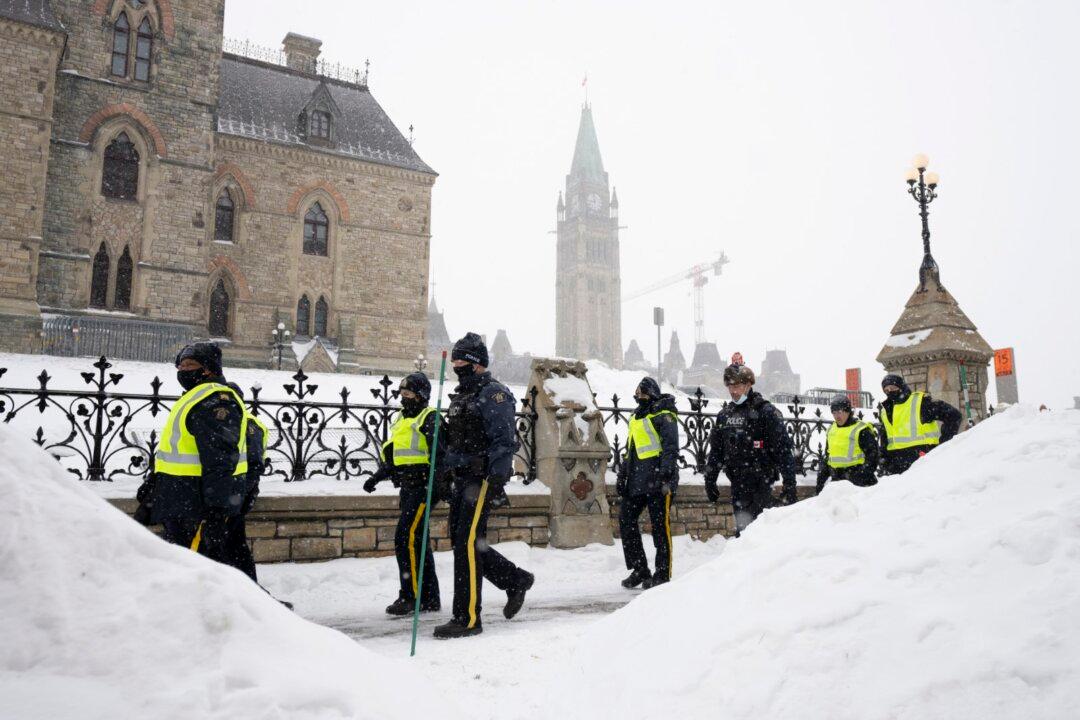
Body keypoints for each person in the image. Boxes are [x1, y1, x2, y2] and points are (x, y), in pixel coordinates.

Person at [434, 332, 534, 639]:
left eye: (461, 359)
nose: (456, 364)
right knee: (464, 543)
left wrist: (495, 480)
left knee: (467, 543)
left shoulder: (494, 394)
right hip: (461, 481)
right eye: (454, 359)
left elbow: (505, 441)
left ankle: (467, 618)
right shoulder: (461, 396)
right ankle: (515, 580)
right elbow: (458, 443)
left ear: (476, 363)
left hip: (481, 482)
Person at [140, 343, 249, 570]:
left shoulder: (215, 401)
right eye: (180, 364)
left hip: (198, 504)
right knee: (196, 568)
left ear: (208, 369)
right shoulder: (197, 397)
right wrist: (157, 482)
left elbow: (220, 460)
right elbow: (179, 450)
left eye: (190, 364)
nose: (183, 370)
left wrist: (215, 513)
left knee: (194, 571)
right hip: (182, 500)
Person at [363, 372, 446, 616]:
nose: (404, 398)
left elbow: (440, 458)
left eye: (408, 394)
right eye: (402, 394)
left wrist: (436, 487)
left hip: (423, 487)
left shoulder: (430, 418)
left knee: (405, 538)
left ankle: (410, 596)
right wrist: (377, 477)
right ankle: (430, 597)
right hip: (408, 488)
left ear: (421, 396)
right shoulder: (401, 419)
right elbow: (394, 456)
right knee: (418, 541)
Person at [703, 363, 797, 536]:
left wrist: (789, 482)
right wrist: (710, 479)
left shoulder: (765, 412)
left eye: (737, 386)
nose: (733, 391)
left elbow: (783, 450)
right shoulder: (725, 415)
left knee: (761, 536)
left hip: (762, 483)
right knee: (742, 535)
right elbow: (717, 450)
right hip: (738, 483)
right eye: (730, 386)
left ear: (748, 385)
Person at [616, 377, 679, 590]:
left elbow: (670, 447)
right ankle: (640, 569)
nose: (638, 397)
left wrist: (666, 475)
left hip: (659, 479)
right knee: (626, 520)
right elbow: (631, 448)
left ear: (651, 393)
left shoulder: (664, 413)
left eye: (642, 393)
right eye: (637, 394)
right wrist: (622, 474)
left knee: (660, 527)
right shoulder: (636, 416)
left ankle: (662, 573)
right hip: (637, 479)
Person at [222, 382, 265, 583]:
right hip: (227, 494)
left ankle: (251, 592)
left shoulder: (247, 424)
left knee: (234, 546)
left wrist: (239, 496)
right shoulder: (227, 421)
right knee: (231, 546)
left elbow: (254, 465)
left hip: (233, 496)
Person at [879, 373, 961, 475]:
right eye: (886, 390)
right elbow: (885, 437)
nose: (890, 392)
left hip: (922, 459)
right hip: (896, 465)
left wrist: (944, 443)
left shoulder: (921, 402)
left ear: (901, 387)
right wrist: (884, 459)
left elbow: (954, 416)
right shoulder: (885, 410)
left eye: (893, 387)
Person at [816, 395, 879, 494]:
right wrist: (820, 480)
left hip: (860, 484)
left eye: (840, 412)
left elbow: (873, 456)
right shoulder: (831, 430)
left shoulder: (861, 429)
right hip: (838, 482)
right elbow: (829, 456)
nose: (837, 416)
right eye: (834, 412)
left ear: (848, 411)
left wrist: (860, 476)